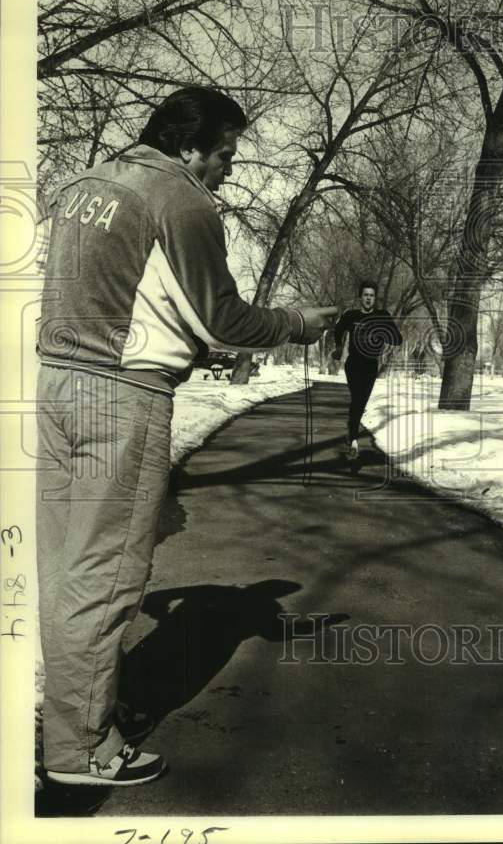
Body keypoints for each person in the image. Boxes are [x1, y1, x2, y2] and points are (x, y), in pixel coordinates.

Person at [36, 86, 336, 787]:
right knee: (106, 578)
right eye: (225, 154)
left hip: (55, 388)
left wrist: (192, 341)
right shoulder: (182, 200)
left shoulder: (87, 182)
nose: (228, 169)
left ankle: (65, 717)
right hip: (123, 398)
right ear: (190, 145)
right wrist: (295, 323)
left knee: (65, 572)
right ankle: (80, 751)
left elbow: (125, 295)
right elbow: (223, 318)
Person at [331, 282, 402, 460]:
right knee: (357, 399)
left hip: (371, 366)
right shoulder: (351, 315)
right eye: (365, 295)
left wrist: (383, 332)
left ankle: (351, 429)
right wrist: (339, 348)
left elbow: (397, 339)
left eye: (371, 295)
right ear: (360, 297)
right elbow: (338, 330)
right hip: (353, 364)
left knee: (361, 402)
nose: (368, 298)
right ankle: (354, 441)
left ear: (375, 298)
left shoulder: (382, 316)